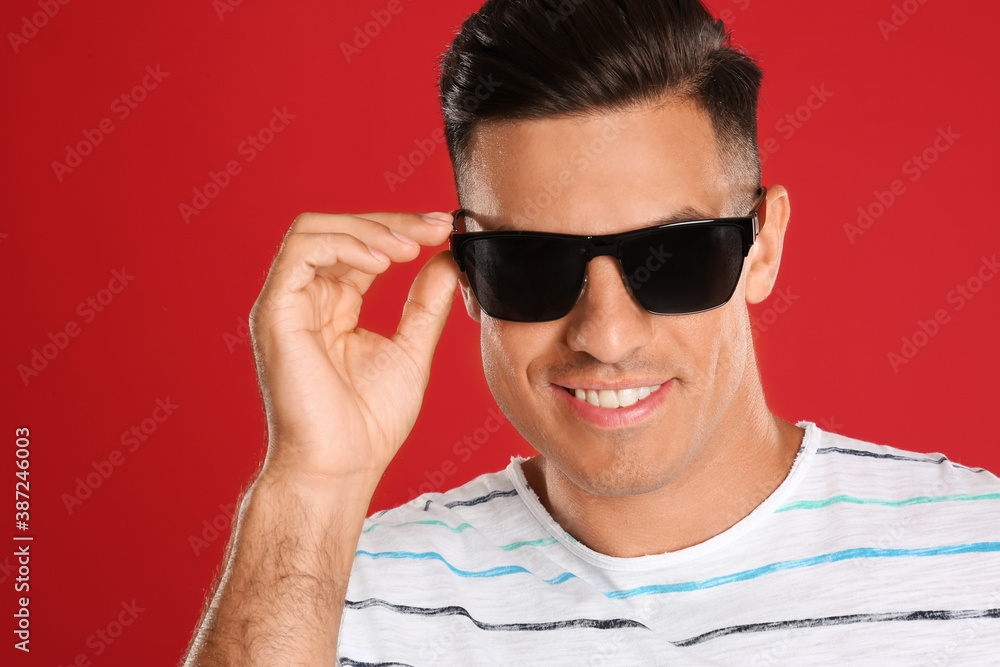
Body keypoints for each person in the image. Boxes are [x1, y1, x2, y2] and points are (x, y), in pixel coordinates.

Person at [181, 0, 1000, 664]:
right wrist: (311, 484)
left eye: (670, 256)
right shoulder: (322, 596)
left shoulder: (980, 560)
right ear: (466, 270)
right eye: (531, 263)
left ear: (763, 244)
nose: (606, 334)